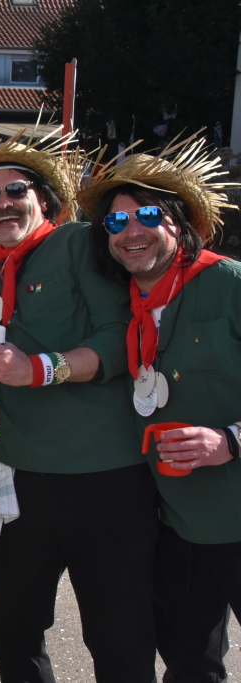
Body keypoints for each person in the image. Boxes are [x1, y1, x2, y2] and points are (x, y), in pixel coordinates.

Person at [0, 134, 158, 683]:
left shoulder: (78, 243)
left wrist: (37, 368)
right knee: (12, 635)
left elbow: (121, 340)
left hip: (105, 478)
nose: (2, 203)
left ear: (44, 198)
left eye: (16, 190)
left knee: (120, 642)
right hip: (16, 478)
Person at [79, 138, 241, 683]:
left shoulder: (230, 285)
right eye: (116, 223)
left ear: (178, 222)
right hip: (180, 530)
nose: (132, 232)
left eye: (147, 215)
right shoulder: (125, 306)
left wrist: (231, 440)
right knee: (192, 668)